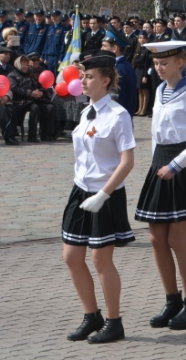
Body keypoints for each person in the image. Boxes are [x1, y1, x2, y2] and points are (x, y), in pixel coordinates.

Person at [134, 40, 186, 330]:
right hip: (161, 163)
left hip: (183, 166)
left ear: (180, 62)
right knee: (156, 238)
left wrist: (176, 165)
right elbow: (156, 131)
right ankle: (172, 300)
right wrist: (156, 163)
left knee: (178, 239)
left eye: (164, 63)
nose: (159, 67)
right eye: (156, 63)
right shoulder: (159, 90)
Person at [60, 54, 136, 344]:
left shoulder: (118, 115)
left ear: (105, 80)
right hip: (81, 190)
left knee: (100, 259)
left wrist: (104, 194)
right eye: (83, 76)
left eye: (89, 76)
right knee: (71, 256)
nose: (83, 81)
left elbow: (127, 161)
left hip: (106, 193)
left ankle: (114, 322)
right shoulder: (86, 111)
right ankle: (92, 316)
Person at [101, 30, 138, 119]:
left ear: (114, 49)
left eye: (104, 46)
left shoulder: (118, 69)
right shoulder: (124, 65)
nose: (101, 49)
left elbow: (116, 99)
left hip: (117, 119)